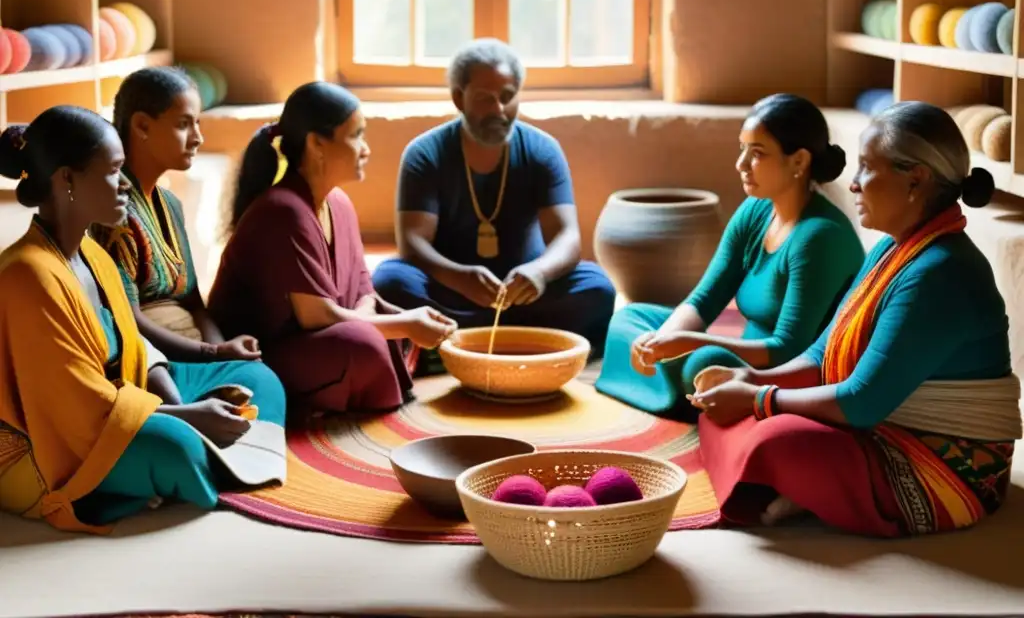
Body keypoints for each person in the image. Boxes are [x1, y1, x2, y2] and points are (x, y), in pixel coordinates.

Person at [694, 101, 1021, 538]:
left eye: (867, 168)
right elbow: (821, 353)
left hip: (945, 465)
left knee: (772, 439)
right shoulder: (890, 249)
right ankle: (805, 486)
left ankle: (806, 486)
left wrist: (759, 399)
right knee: (723, 410)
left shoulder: (942, 272)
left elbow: (860, 402)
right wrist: (751, 378)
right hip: (881, 424)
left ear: (915, 180)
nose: (852, 183)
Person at [0, 106, 286, 534]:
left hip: (127, 399)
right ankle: (193, 458)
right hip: (61, 443)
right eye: (114, 171)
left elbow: (136, 346)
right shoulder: (26, 275)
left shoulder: (93, 255)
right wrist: (186, 418)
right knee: (177, 447)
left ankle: (192, 459)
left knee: (259, 378)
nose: (125, 185)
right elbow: (76, 410)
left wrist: (179, 404)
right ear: (67, 179)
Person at [596, 94, 865, 417]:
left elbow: (788, 349)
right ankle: (679, 387)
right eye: (743, 149)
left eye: (757, 153)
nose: (741, 164)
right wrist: (662, 342)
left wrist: (688, 343)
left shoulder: (819, 237)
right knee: (629, 320)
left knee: (704, 362)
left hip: (780, 374)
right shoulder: (756, 210)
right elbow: (705, 299)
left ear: (798, 161)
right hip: (740, 354)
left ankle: (678, 387)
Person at [206, 82, 457, 414]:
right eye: (356, 136)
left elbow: (363, 288)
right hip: (260, 356)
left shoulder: (338, 202)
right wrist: (405, 324)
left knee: (390, 318)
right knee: (365, 341)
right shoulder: (282, 210)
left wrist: (401, 319)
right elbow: (317, 316)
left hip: (315, 339)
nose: (365, 149)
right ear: (316, 144)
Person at [372, 38, 616, 364]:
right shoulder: (425, 153)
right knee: (390, 281)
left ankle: (453, 343)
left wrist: (539, 273)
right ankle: (524, 339)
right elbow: (413, 242)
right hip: (451, 291)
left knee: (597, 287)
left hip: (526, 294)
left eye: (507, 96)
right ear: (459, 98)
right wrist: (460, 278)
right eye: (485, 98)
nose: (499, 109)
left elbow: (567, 236)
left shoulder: (542, 149)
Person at [91, 67, 262, 365]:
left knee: (257, 376)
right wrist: (212, 354)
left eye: (197, 124)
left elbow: (194, 303)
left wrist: (223, 356)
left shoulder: (170, 204)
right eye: (184, 124)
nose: (198, 138)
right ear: (142, 126)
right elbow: (127, 320)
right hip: (151, 360)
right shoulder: (113, 211)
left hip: (194, 349)